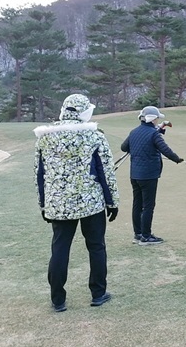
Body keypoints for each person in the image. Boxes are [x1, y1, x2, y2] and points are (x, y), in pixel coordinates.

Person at [34, 94, 119, 312]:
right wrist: (112, 201)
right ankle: (98, 293)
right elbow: (106, 171)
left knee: (60, 248)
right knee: (96, 246)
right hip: (91, 202)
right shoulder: (94, 135)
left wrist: (43, 204)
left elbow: (40, 174)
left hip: (59, 204)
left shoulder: (45, 137)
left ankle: (58, 299)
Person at [120, 106, 184, 245]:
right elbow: (165, 150)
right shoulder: (154, 134)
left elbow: (124, 147)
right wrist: (177, 159)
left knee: (137, 204)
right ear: (153, 119)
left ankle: (138, 234)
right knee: (148, 206)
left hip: (134, 175)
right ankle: (146, 236)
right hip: (148, 175)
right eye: (157, 118)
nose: (157, 120)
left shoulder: (134, 132)